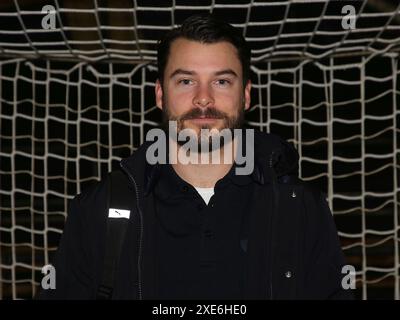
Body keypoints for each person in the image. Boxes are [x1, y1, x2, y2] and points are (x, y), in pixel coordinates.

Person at [38, 14, 353, 300]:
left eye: (222, 81)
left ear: (246, 94)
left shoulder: (300, 207)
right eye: (186, 81)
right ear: (160, 94)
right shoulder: (100, 209)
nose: (204, 98)